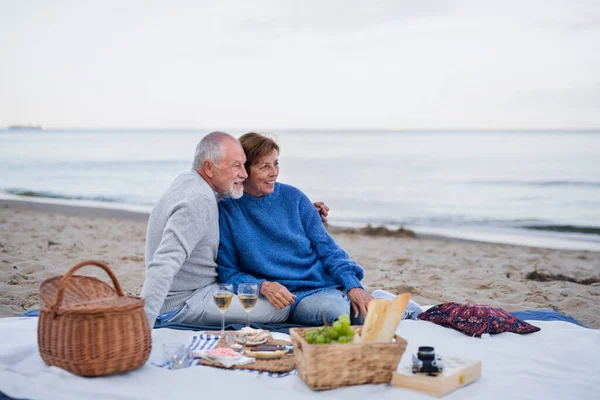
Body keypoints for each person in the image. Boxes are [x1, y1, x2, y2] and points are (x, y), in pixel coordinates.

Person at [217, 132, 373, 326]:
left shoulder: (294, 197)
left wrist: (352, 285)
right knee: (336, 312)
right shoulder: (227, 211)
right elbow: (228, 273)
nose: (274, 172)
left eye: (276, 163)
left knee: (368, 315)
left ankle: (353, 298)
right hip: (294, 299)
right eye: (264, 166)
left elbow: (328, 248)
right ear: (244, 170)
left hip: (325, 285)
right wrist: (263, 287)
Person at [141, 131, 290, 328]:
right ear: (209, 168)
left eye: (244, 165)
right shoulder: (199, 200)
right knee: (281, 309)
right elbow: (163, 265)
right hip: (184, 301)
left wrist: (298, 211)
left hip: (196, 290)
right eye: (236, 166)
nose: (244, 175)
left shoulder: (189, 181)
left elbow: (229, 200)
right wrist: (141, 329)